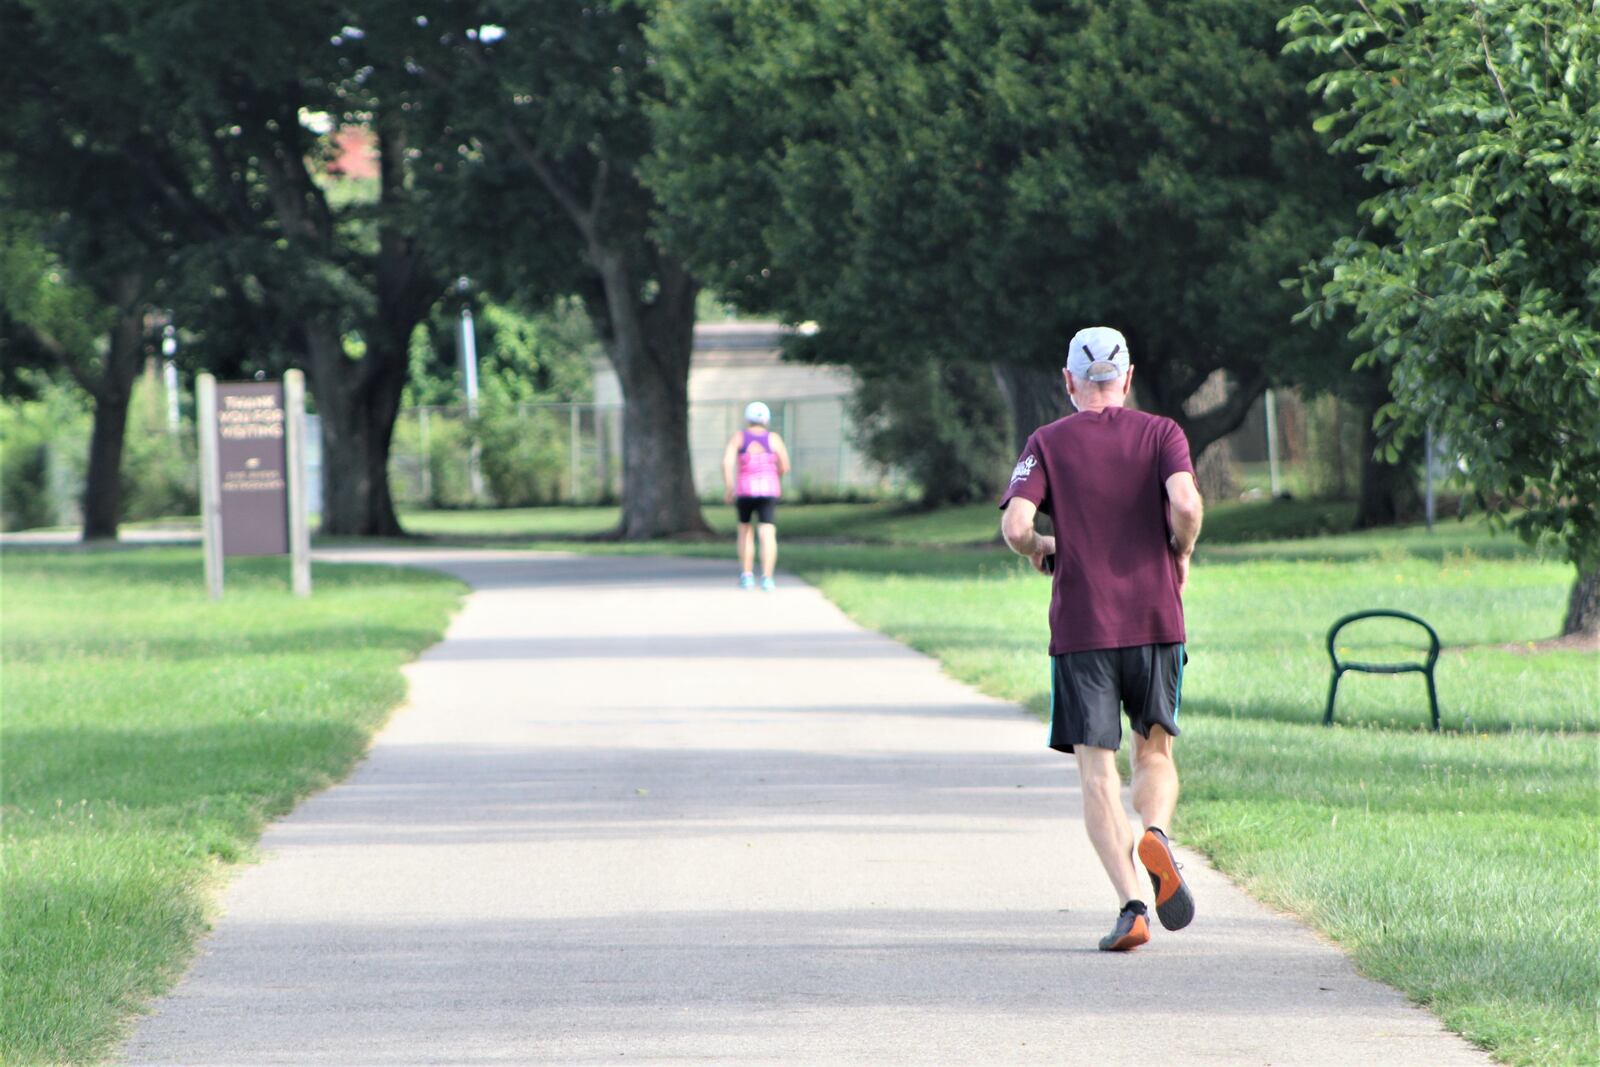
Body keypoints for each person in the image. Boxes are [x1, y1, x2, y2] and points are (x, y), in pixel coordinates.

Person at [998, 326, 1204, 952]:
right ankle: (1159, 835)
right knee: (1155, 754)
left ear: (1068, 382)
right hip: (1154, 618)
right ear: (1128, 377)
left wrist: (1042, 547)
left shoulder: (1047, 443)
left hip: (1083, 628)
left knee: (1096, 774)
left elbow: (1015, 525)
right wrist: (1182, 551)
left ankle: (1132, 905)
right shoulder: (1162, 433)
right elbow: (1187, 505)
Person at [722, 401, 791, 591]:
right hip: (768, 490)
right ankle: (767, 577)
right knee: (767, 532)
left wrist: (729, 487)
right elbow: (784, 465)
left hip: (745, 490)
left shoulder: (739, 438)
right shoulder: (773, 439)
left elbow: (727, 462)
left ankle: (747, 575)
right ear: (766, 419)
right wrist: (775, 477)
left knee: (745, 531)